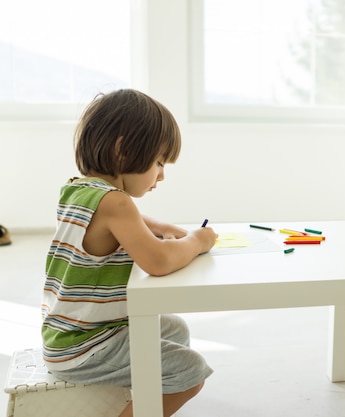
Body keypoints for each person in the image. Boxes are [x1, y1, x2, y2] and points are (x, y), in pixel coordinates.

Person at [41, 89, 218, 417]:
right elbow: (159, 261)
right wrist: (197, 241)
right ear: (123, 150)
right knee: (190, 372)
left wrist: (160, 226)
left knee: (175, 329)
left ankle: (147, 389)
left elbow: (123, 219)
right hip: (89, 346)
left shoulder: (78, 189)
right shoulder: (117, 203)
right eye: (159, 162)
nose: (162, 174)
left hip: (66, 335)